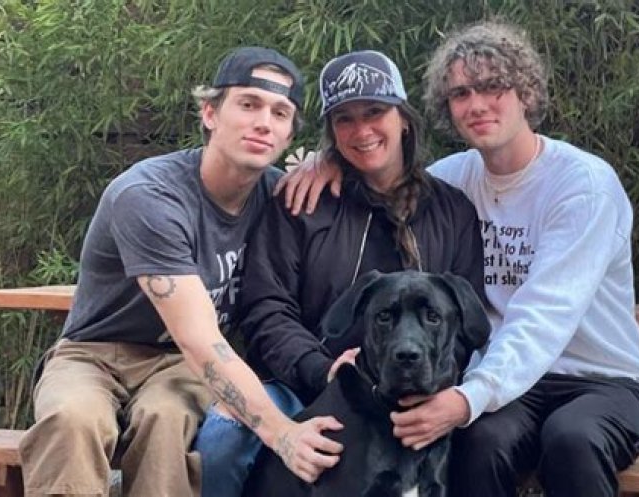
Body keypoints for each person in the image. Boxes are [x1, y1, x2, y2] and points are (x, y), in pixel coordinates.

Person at [278, 21, 639, 497]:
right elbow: (385, 174)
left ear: (525, 92)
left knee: (571, 439)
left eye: (492, 86)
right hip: (512, 388)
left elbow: (545, 316)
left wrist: (467, 398)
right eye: (461, 93)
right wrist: (331, 161)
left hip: (599, 381)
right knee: (480, 441)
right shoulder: (452, 181)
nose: (476, 104)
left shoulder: (582, 185)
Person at [18, 46, 343, 497]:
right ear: (210, 113)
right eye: (248, 104)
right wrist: (283, 433)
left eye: (280, 113)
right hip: (94, 353)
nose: (263, 122)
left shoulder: (280, 195)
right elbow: (199, 338)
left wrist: (332, 161)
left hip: (178, 366)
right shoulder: (149, 194)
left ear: (290, 134)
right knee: (71, 419)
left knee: (167, 422)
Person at [195, 49, 486, 496]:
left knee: (489, 441)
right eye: (345, 119)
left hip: (422, 391)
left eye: (375, 113)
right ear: (331, 132)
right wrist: (321, 368)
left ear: (403, 119)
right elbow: (267, 307)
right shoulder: (302, 202)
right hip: (299, 388)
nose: (362, 130)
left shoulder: (452, 211)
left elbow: (467, 321)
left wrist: (441, 388)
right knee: (222, 439)